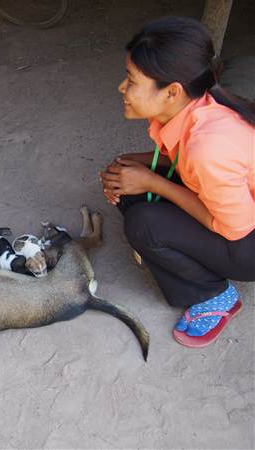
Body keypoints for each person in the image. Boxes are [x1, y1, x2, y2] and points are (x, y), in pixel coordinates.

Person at [100, 17, 255, 348]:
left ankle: (214, 295)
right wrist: (137, 166)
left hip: (248, 242)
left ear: (172, 92)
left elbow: (233, 229)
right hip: (238, 211)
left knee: (144, 223)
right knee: (130, 184)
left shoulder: (208, 146)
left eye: (131, 80)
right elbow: (188, 164)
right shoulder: (198, 106)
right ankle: (174, 251)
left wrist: (154, 182)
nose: (121, 88)